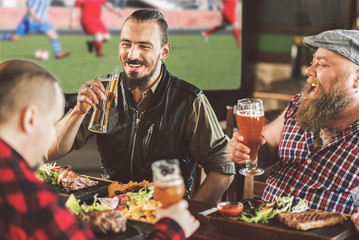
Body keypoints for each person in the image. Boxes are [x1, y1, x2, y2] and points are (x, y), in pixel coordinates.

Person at [47, 9, 235, 204]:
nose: (132, 55)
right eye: (126, 44)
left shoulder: (190, 101)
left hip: (164, 212)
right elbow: (51, 151)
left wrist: (188, 217)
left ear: (164, 52)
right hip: (111, 207)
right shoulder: (104, 92)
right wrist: (78, 111)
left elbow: (223, 169)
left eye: (144, 46)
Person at [0, 59, 199, 240]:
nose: (52, 135)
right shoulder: (28, 194)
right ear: (30, 119)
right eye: (52, 123)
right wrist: (171, 229)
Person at [228, 29, 359, 215]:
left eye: (321, 64)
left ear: (357, 78)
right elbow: (266, 148)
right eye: (312, 61)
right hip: (268, 224)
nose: (309, 70)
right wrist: (247, 153)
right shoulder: (301, 104)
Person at [0, 0, 70, 59]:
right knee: (14, 38)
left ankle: (58, 54)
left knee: (54, 36)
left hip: (43, 22)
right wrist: (36, 18)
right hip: (28, 22)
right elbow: (30, 9)